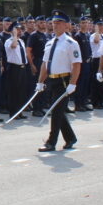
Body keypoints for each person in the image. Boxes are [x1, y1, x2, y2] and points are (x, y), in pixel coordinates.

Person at [35, 11, 81, 152]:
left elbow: (77, 64)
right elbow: (44, 63)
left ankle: (51, 142)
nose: (55, 25)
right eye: (54, 23)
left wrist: (73, 83)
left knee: (55, 112)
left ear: (66, 25)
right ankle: (70, 137)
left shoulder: (71, 43)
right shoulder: (49, 42)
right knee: (57, 110)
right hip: (51, 80)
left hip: (63, 81)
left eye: (59, 23)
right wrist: (40, 82)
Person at [3, 20, 30, 118]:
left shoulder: (21, 41)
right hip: (14, 68)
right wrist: (14, 35)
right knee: (13, 91)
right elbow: (13, 46)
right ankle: (13, 112)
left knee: (21, 91)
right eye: (17, 29)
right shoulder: (9, 41)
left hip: (22, 67)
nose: (20, 31)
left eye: (20, 29)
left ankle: (19, 111)